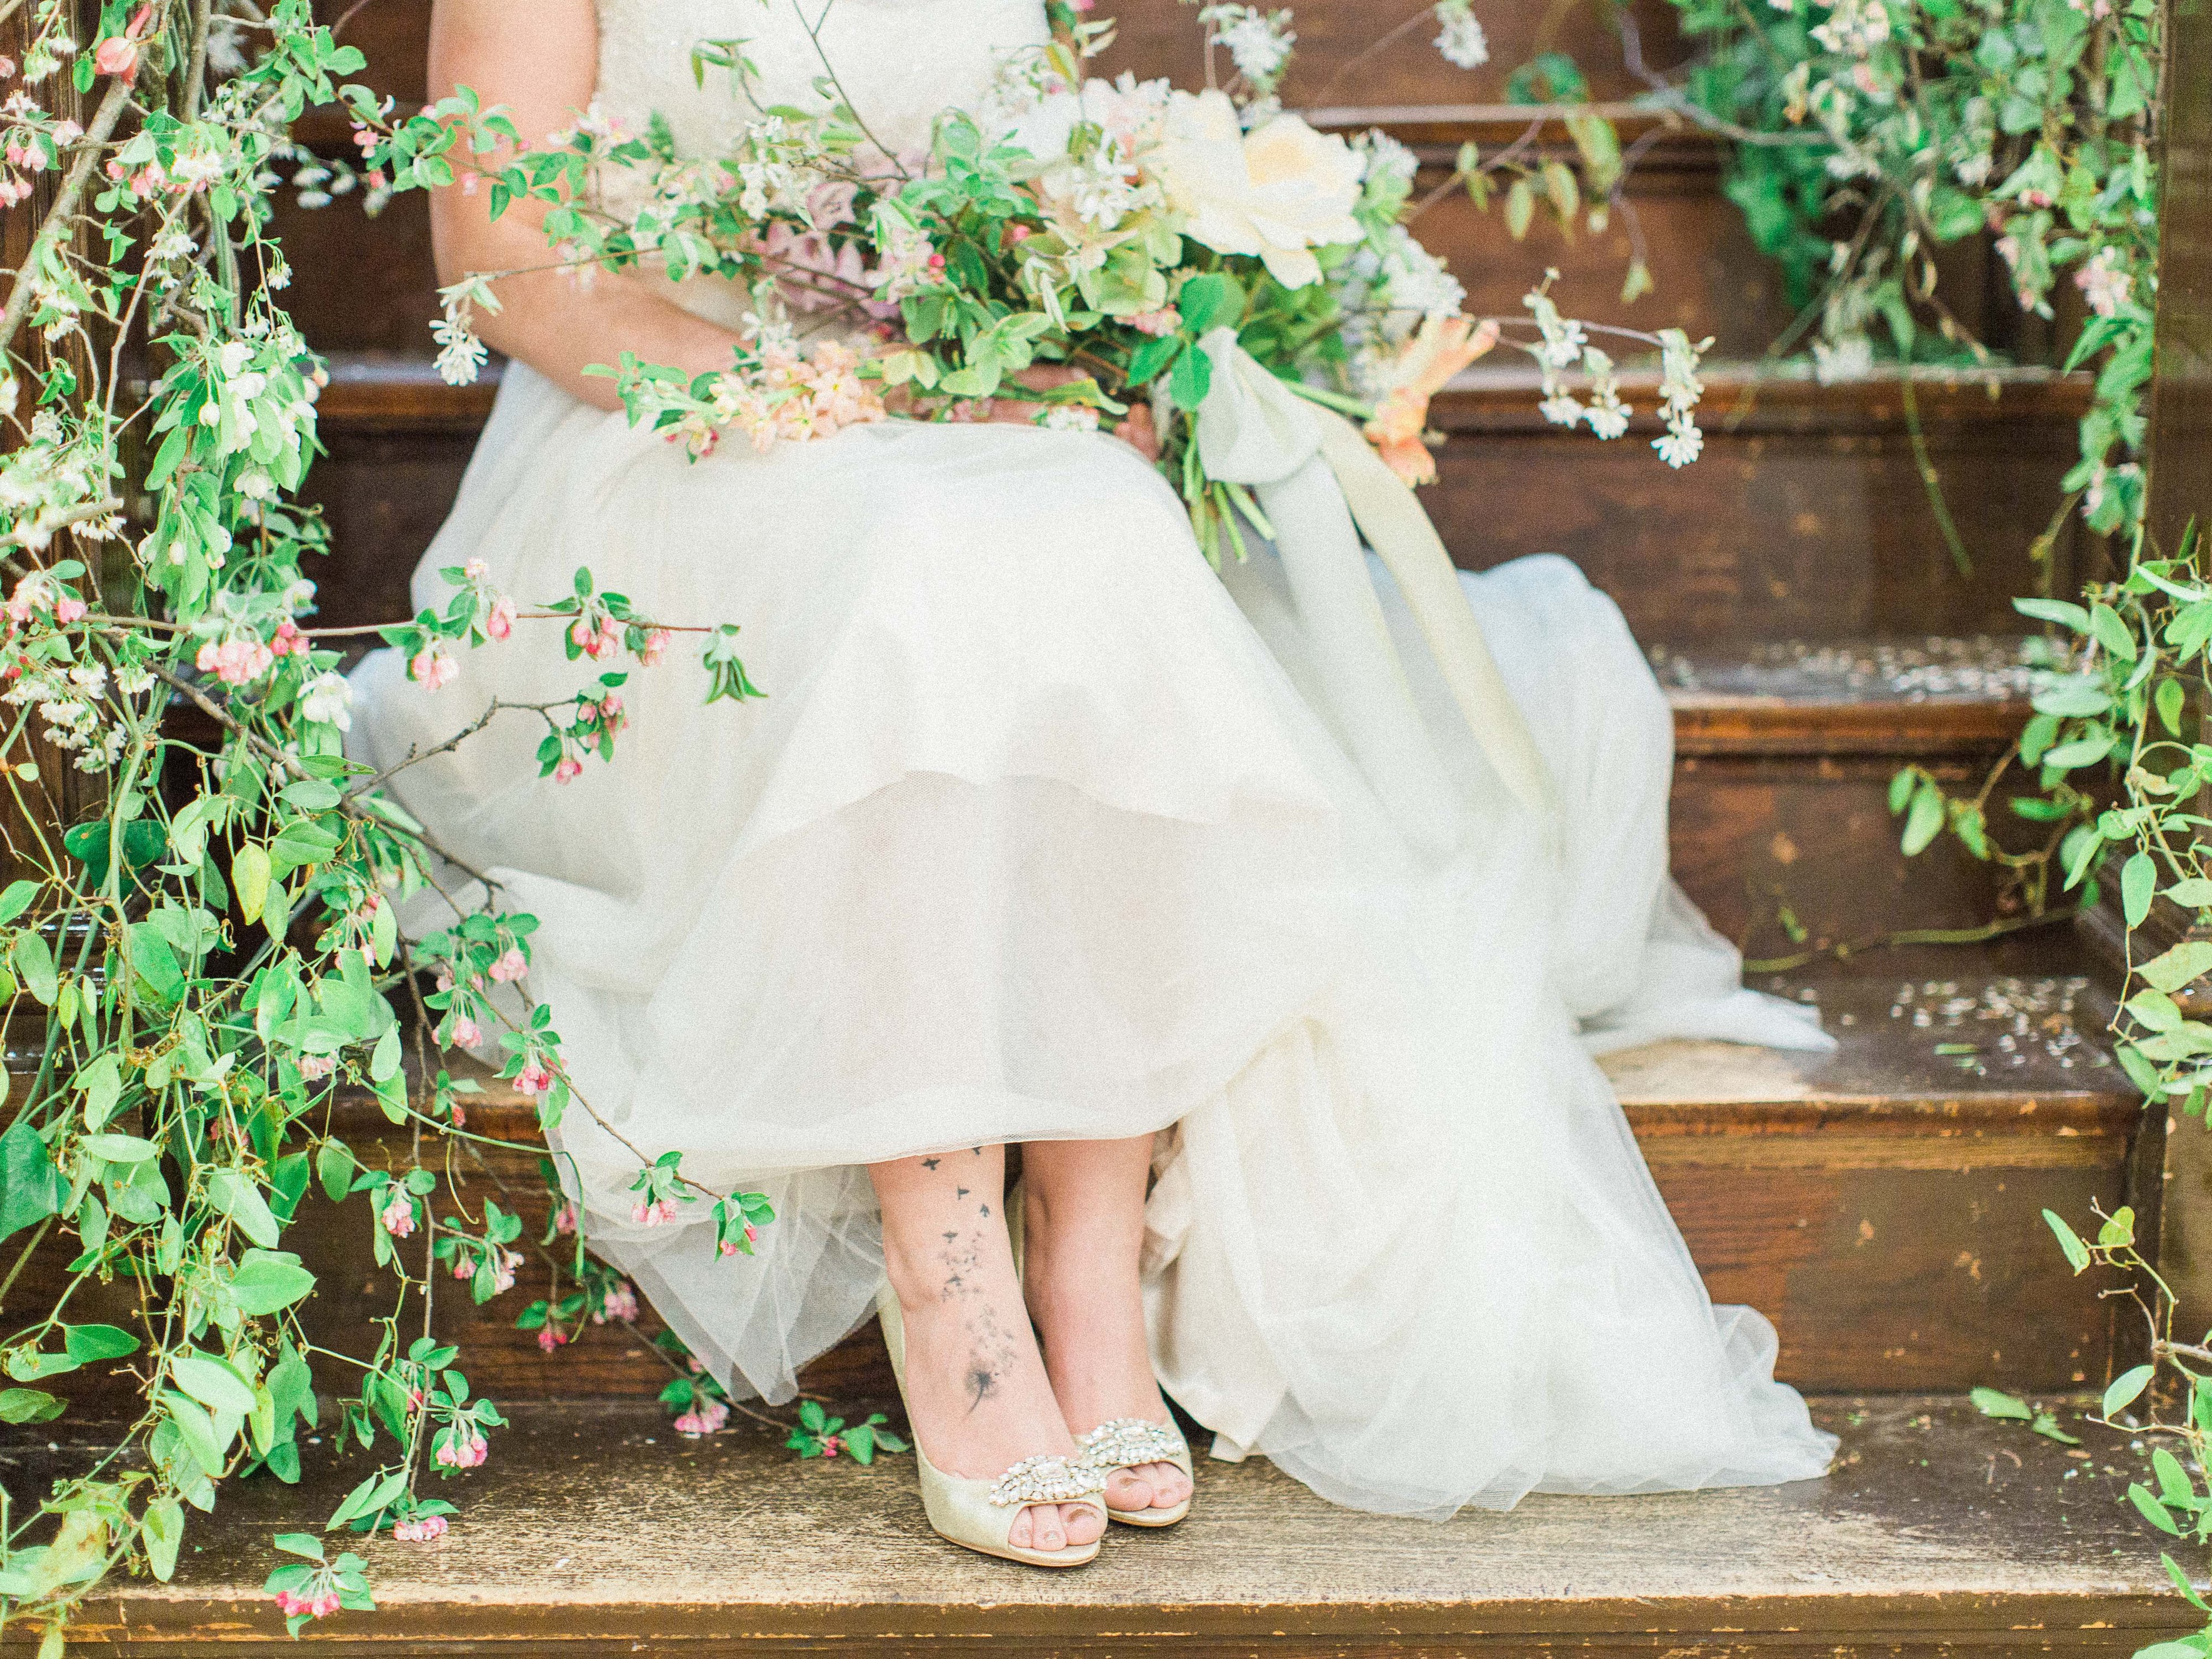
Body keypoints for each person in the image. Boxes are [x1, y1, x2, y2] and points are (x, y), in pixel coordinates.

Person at [352, 0, 1840, 1570]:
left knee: (1099, 514)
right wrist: (869, 392)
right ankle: (949, 1274)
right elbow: (508, 265)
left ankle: (1086, 1244)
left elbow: (1034, 185)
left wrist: (1088, 344)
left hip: (949, 421)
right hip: (665, 456)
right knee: (927, 559)